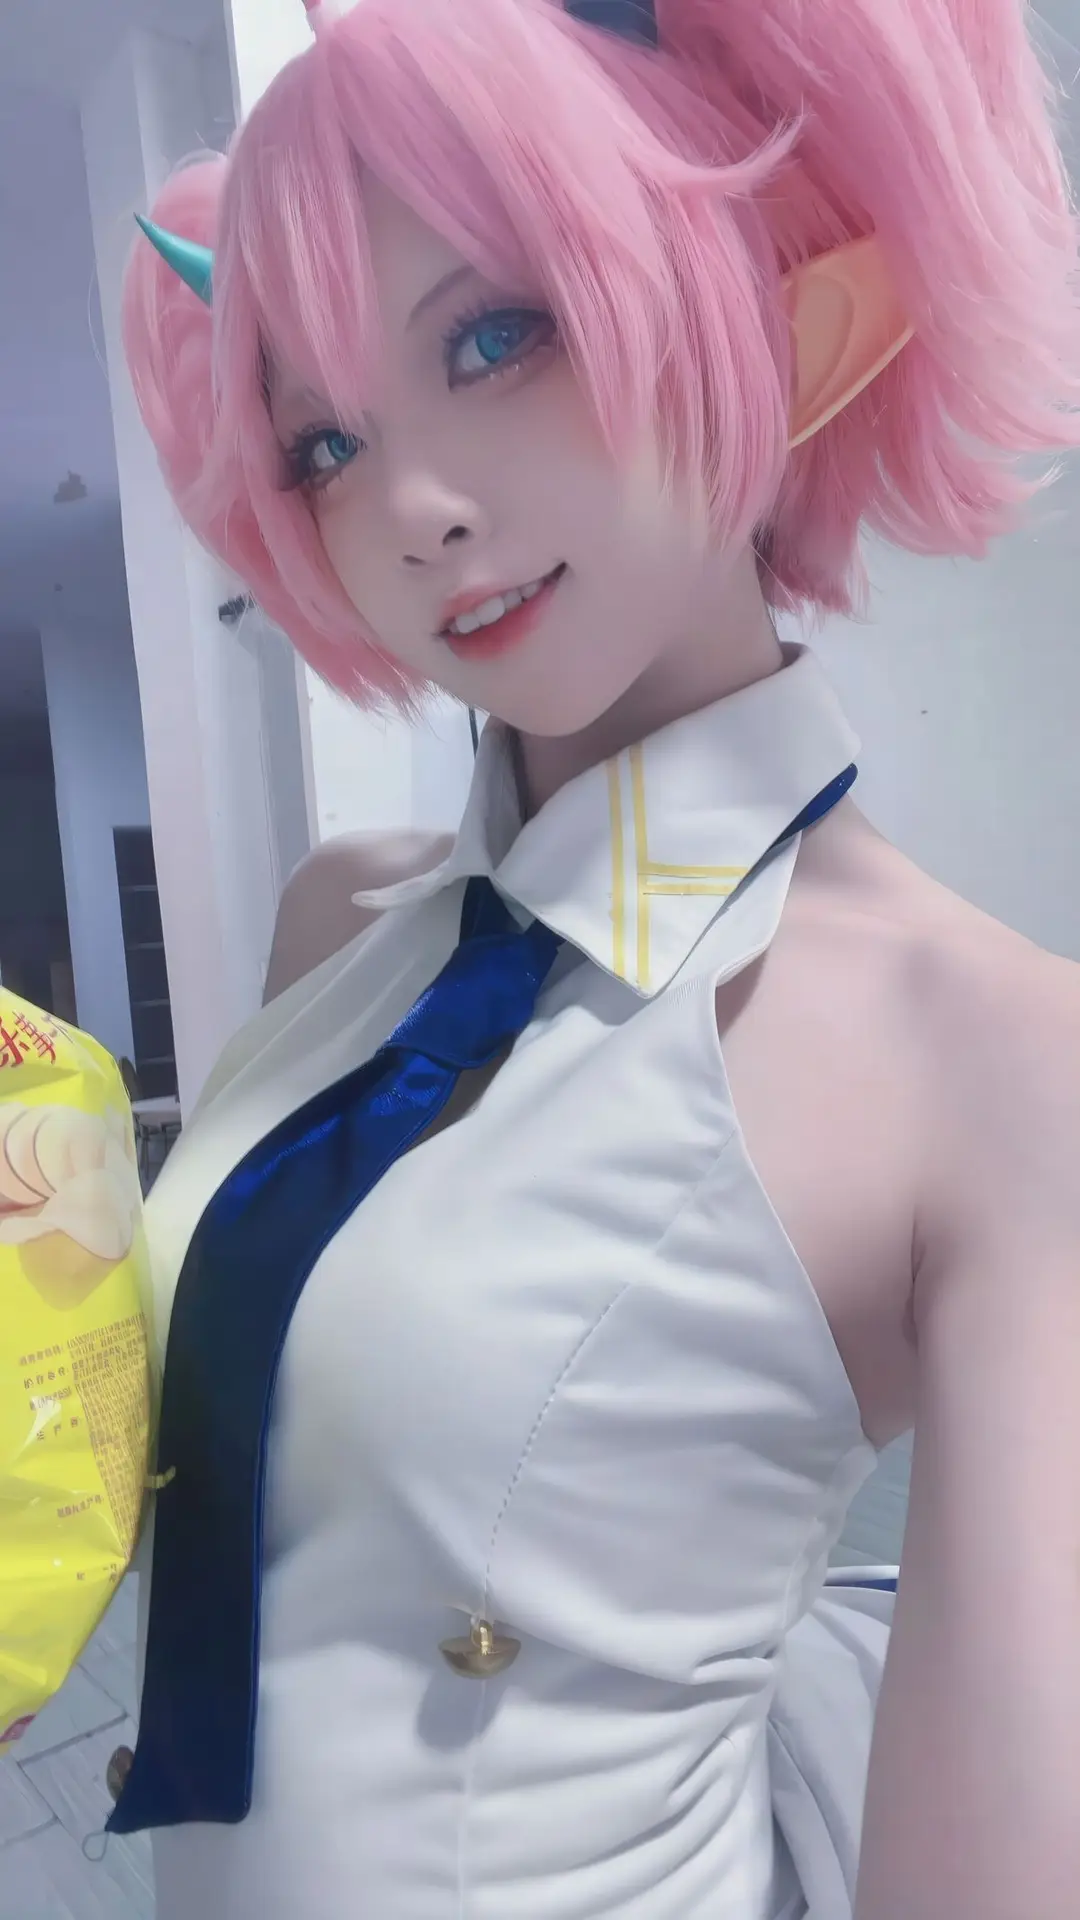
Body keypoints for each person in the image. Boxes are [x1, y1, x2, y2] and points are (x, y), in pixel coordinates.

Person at [110, 2, 1080, 1915]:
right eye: (326, 439)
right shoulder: (340, 921)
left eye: (497, 336)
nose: (413, 511)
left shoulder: (991, 1051)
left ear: (762, 301)